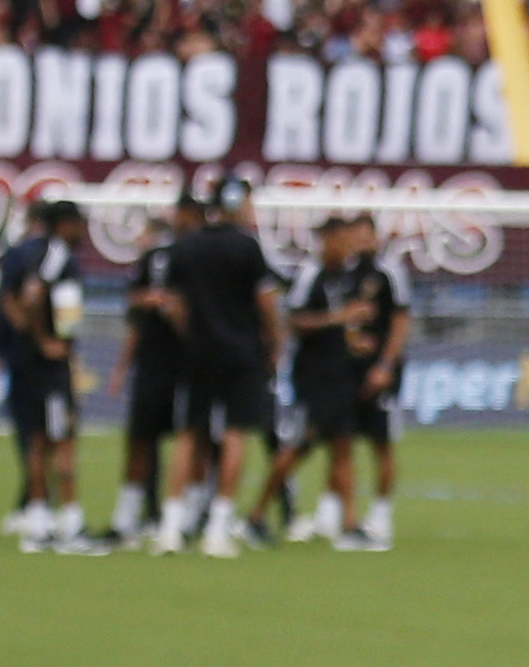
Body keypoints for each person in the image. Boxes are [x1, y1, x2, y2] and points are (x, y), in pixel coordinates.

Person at [257, 211, 407, 551]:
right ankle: (258, 514)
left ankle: (348, 522)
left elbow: (366, 323)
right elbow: (294, 319)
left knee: (341, 447)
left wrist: (358, 344)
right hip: (314, 379)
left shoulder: (350, 274)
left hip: (340, 377)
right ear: (330, 240)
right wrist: (339, 319)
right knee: (301, 447)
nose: (353, 244)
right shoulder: (314, 274)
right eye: (347, 238)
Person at [166, 179, 283, 558]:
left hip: (198, 353)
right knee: (235, 434)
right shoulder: (247, 247)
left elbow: (175, 306)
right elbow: (265, 303)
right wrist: (275, 344)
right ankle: (218, 527)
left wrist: (192, 336)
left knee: (189, 435)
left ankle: (171, 526)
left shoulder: (187, 246)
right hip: (242, 354)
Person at [0, 198, 92, 548]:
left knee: (36, 441)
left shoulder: (22, 252)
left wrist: (20, 330)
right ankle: (70, 523)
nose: (83, 231)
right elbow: (34, 295)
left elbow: (7, 298)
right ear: (64, 224)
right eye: (78, 223)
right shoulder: (56, 255)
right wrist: (44, 338)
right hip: (46, 366)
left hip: (23, 362)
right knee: (61, 440)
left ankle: (38, 521)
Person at [111, 193, 204, 546]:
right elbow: (133, 306)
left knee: (192, 441)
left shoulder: (203, 259)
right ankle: (126, 518)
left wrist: (182, 315)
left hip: (189, 365)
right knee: (140, 440)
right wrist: (122, 367)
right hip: (152, 364)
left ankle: (186, 516)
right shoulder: (155, 257)